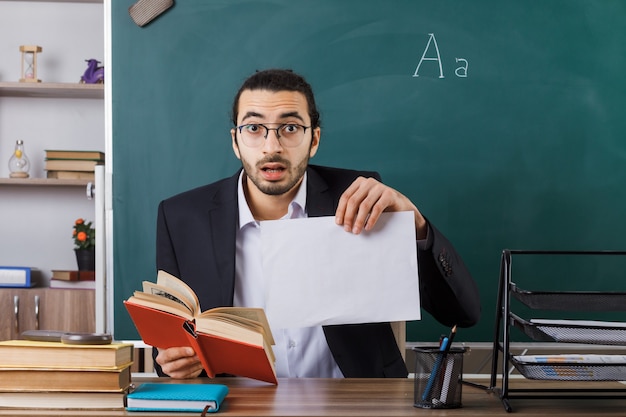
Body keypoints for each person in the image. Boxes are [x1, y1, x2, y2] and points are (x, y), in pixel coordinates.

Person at [154, 69, 480, 379]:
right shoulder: (182, 218)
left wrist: (417, 224)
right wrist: (173, 362)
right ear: (236, 142)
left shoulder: (360, 199)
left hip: (355, 403)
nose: (272, 146)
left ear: (314, 139)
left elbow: (462, 314)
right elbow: (170, 344)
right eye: (254, 128)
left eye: (291, 128)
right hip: (238, 403)